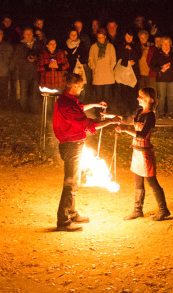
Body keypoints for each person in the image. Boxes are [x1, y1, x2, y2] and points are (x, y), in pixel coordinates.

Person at [53, 73, 120, 232]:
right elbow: (87, 124)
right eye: (81, 85)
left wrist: (95, 104)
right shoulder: (67, 105)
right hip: (71, 146)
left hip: (74, 145)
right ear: (74, 86)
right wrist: (110, 121)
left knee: (74, 182)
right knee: (70, 183)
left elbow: (81, 107)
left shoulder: (67, 100)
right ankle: (63, 221)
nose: (83, 88)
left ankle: (72, 212)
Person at [116, 87, 170, 221]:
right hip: (136, 151)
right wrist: (111, 117)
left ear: (149, 99)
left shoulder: (150, 116)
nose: (138, 98)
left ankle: (163, 210)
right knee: (138, 183)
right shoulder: (139, 111)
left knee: (152, 182)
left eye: (141, 96)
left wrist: (124, 130)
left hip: (145, 154)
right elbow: (127, 119)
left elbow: (142, 134)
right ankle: (137, 210)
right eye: (139, 96)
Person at [150, 36, 173, 120]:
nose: (166, 45)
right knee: (161, 97)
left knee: (171, 97)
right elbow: (152, 66)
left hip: (172, 78)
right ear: (161, 44)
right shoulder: (157, 53)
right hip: (161, 79)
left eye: (168, 43)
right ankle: (161, 113)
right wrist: (161, 69)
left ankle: (171, 113)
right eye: (164, 43)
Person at [88, 28, 116, 105]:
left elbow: (113, 59)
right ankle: (98, 113)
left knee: (107, 95)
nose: (100, 39)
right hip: (98, 75)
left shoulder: (110, 46)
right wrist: (94, 67)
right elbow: (90, 59)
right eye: (98, 37)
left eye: (102, 37)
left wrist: (110, 68)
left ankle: (107, 111)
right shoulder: (93, 47)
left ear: (105, 37)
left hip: (108, 74)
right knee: (98, 96)